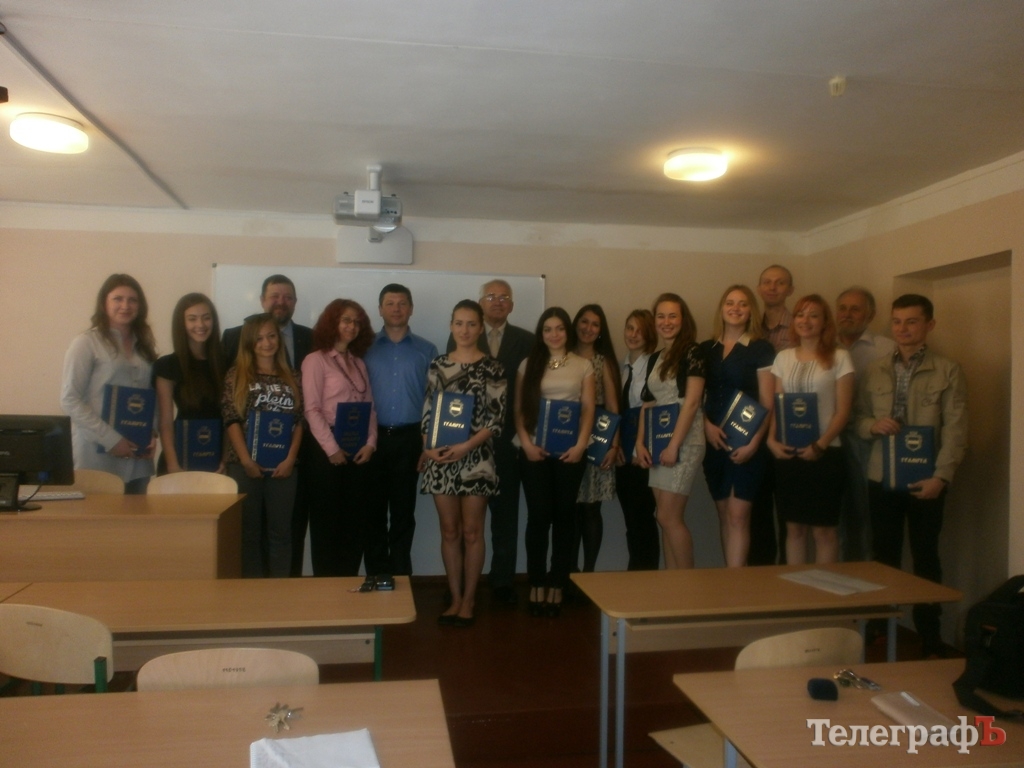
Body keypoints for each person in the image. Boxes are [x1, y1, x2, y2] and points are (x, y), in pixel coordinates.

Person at [856, 294, 966, 658]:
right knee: (882, 555)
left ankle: (929, 637)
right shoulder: (875, 369)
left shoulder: (948, 370)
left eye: (912, 321)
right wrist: (874, 425)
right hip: (882, 476)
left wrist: (942, 478)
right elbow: (858, 419)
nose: (902, 329)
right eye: (897, 321)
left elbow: (956, 430)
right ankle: (878, 626)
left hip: (927, 479)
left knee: (925, 557)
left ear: (929, 325)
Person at [446, 279, 534, 605]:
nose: (497, 301)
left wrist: (524, 436)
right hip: (467, 443)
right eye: (491, 296)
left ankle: (502, 582)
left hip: (509, 441)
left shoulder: (527, 340)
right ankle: (459, 584)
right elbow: (451, 392)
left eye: (504, 297)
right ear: (481, 302)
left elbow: (532, 392)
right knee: (464, 523)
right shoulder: (464, 334)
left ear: (512, 304)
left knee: (505, 515)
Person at [222, 274, 313, 576]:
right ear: (250, 341)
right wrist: (246, 461)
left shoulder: (293, 377)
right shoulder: (236, 375)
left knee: (281, 534)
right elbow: (231, 419)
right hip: (244, 466)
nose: (266, 343)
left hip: (284, 468)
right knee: (249, 534)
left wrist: (290, 459)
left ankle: (279, 594)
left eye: (271, 336)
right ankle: (253, 596)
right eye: (259, 338)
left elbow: (299, 421)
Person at [424, 300, 507, 626]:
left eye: (471, 324)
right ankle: (455, 597)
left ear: (480, 327)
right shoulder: (438, 365)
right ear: (451, 326)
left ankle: (470, 600)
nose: (465, 330)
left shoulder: (494, 367)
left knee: (473, 532)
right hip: (441, 458)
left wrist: (466, 446)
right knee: (449, 531)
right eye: (459, 323)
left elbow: (496, 419)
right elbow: (427, 411)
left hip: (477, 458)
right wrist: (428, 447)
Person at [515, 307, 595, 616]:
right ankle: (537, 581)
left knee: (564, 517)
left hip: (570, 453)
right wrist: (526, 443)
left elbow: (588, 409)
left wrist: (580, 446)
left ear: (567, 331)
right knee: (538, 517)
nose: (554, 334)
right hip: (534, 451)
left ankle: (558, 582)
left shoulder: (583, 365)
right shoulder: (528, 364)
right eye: (548, 329)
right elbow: (519, 409)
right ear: (541, 333)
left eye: (559, 328)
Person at [766, 294, 854, 565]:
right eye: (801, 315)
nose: (806, 321)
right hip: (788, 452)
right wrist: (771, 439)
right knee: (793, 529)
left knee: (824, 531)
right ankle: (797, 588)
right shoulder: (783, 357)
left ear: (825, 322)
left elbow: (843, 411)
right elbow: (778, 405)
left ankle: (824, 590)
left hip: (826, 454)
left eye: (814, 315)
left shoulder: (840, 357)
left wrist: (820, 445)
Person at [364, 283, 439, 575]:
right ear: (380, 309)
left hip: (410, 440)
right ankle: (376, 576)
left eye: (402, 303)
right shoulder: (364, 347)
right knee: (372, 514)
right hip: (372, 440)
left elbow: (434, 401)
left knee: (403, 514)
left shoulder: (427, 350)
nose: (396, 309)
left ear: (411, 309)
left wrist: (427, 445)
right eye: (390, 303)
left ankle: (399, 578)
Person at [699, 285, 775, 567]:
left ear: (751, 311)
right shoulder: (706, 349)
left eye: (743, 304)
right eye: (730, 302)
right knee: (724, 515)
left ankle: (735, 584)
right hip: (713, 443)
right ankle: (730, 580)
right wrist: (705, 426)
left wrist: (755, 444)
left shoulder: (761, 348)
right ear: (721, 308)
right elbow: (695, 397)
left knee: (738, 516)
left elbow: (768, 402)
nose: (735, 308)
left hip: (747, 444)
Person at [61, 274, 158, 494]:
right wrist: (111, 440)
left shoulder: (144, 346)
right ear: (104, 303)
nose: (125, 306)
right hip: (96, 456)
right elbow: (69, 400)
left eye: (132, 300)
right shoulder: (86, 343)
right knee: (97, 517)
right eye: (118, 299)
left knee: (136, 516)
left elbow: (151, 395)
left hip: (138, 457)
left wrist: (152, 433)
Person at [301, 299, 378, 576]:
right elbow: (311, 409)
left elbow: (370, 407)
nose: (352, 326)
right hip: (326, 448)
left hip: (358, 447)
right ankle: (326, 588)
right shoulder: (315, 360)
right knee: (326, 521)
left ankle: (348, 583)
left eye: (357, 322)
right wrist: (332, 449)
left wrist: (371, 443)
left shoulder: (359, 363)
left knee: (354, 520)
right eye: (346, 320)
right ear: (332, 322)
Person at [635, 293, 706, 570]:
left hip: (684, 441)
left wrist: (674, 446)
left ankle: (687, 584)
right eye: (661, 316)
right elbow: (647, 404)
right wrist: (640, 443)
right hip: (658, 441)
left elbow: (692, 402)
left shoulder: (692, 352)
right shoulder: (655, 358)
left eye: (672, 316)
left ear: (683, 319)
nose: (666, 322)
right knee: (662, 518)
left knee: (669, 517)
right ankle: (672, 582)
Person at [835, 287, 896, 560]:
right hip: (830, 438)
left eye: (855, 309)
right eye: (842, 308)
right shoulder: (824, 344)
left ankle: (868, 572)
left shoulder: (887, 349)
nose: (847, 314)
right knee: (836, 515)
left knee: (866, 513)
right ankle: (840, 574)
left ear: (870, 315)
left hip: (867, 439)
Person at [751, 264, 796, 565]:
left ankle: (786, 577)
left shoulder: (798, 326)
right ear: (759, 287)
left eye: (779, 283)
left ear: (790, 289)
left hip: (788, 428)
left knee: (789, 512)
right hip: (753, 428)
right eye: (767, 282)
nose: (772, 287)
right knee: (757, 510)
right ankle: (759, 577)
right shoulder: (749, 325)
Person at [571, 304, 621, 573]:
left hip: (598, 440)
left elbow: (613, 406)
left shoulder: (604, 361)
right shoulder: (562, 356)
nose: (588, 328)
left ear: (601, 331)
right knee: (569, 510)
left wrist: (614, 445)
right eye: (584, 321)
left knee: (590, 510)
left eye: (595, 324)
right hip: (566, 439)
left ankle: (589, 573)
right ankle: (569, 573)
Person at [153, 293, 226, 475]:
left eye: (206, 318)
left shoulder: (226, 363)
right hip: (180, 456)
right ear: (181, 324)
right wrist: (172, 464)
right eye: (192, 319)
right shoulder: (167, 365)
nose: (200, 325)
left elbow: (230, 419)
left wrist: (225, 459)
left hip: (217, 458)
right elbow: (165, 422)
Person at [615, 310, 660, 570]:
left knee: (643, 515)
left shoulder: (656, 365)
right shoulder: (622, 367)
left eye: (640, 330)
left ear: (650, 334)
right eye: (630, 328)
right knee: (631, 517)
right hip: (623, 449)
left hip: (644, 449)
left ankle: (646, 572)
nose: (633, 334)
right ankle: (635, 571)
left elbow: (653, 408)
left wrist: (637, 447)